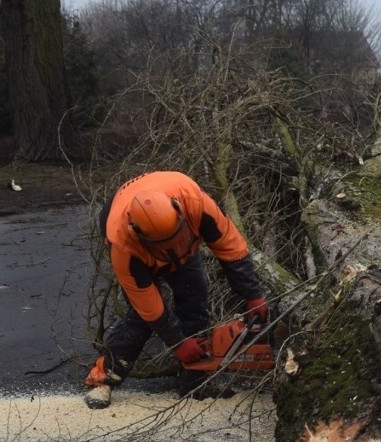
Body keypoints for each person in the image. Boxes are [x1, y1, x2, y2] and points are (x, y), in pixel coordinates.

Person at [84, 171, 269, 408]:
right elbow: (149, 307)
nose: (171, 248)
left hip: (185, 247)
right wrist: (178, 343)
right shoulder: (123, 245)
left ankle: (195, 379)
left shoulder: (196, 203)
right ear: (136, 232)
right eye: (165, 246)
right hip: (136, 246)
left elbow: (231, 247)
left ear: (179, 210)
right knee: (141, 318)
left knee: (194, 298)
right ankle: (102, 379)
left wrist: (252, 294)